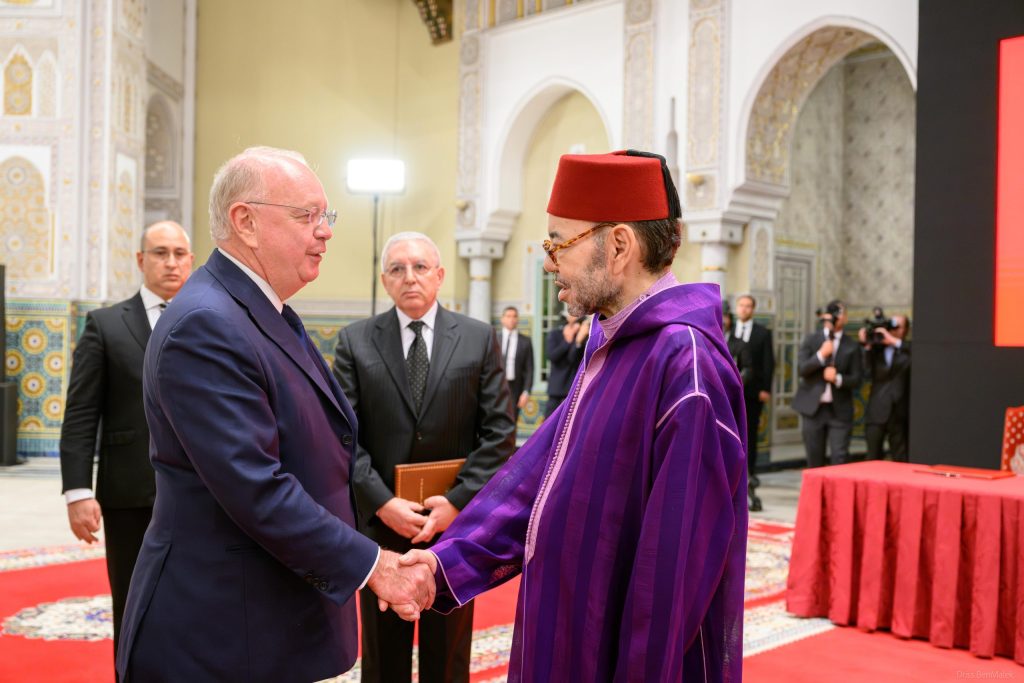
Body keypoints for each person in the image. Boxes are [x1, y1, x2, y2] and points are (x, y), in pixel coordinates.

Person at [397, 150, 747, 681]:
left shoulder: (685, 364)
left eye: (558, 243)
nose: (548, 263)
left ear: (619, 246)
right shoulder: (613, 341)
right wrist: (445, 562)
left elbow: (672, 578)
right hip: (569, 627)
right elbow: (540, 478)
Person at [116, 147, 434, 683]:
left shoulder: (260, 310)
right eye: (307, 215)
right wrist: (373, 564)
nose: (325, 232)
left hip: (270, 615)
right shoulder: (206, 324)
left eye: (326, 216)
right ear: (246, 222)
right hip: (221, 631)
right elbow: (255, 487)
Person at [332, 231, 515, 683]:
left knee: (447, 659)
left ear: (439, 275)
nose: (409, 277)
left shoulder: (477, 338)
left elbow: (499, 433)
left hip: (454, 531)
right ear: (384, 280)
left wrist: (456, 501)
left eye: (419, 267)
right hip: (382, 531)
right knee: (383, 659)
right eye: (397, 269)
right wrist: (381, 502)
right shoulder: (355, 341)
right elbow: (342, 437)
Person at [59, 220, 193, 662]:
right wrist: (78, 491)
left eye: (179, 253)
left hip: (204, 493)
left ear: (191, 261)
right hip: (130, 493)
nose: (170, 263)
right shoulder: (105, 325)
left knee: (197, 607)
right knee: (135, 606)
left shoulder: (210, 321)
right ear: (141, 260)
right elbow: (81, 413)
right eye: (160, 253)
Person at [792, 299, 863, 467]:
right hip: (813, 409)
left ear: (845, 318)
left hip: (839, 411)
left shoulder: (852, 345)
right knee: (814, 460)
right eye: (833, 313)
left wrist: (838, 378)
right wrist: (820, 355)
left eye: (841, 313)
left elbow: (857, 379)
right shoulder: (811, 339)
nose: (837, 317)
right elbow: (802, 369)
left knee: (840, 458)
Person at [730, 294, 775, 511]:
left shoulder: (762, 333)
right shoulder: (728, 331)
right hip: (730, 392)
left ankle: (751, 472)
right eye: (741, 305)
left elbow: (769, 362)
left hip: (753, 393)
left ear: (753, 309)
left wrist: (765, 389)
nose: (744, 309)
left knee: (751, 433)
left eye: (748, 306)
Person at [859, 315, 911, 461]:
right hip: (877, 410)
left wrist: (893, 341)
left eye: (898, 327)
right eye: (891, 327)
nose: (893, 330)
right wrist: (867, 346)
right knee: (873, 457)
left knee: (900, 458)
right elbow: (866, 373)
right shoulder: (877, 349)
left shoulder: (907, 349)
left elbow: (917, 354)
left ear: (905, 330)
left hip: (899, 413)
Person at [544, 312, 589, 418]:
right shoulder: (555, 333)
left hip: (575, 387)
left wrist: (578, 341)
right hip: (557, 388)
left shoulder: (584, 335)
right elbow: (552, 356)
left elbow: (573, 359)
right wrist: (567, 342)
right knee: (550, 421)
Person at [499, 305, 534, 427]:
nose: (511, 319)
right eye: (508, 316)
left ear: (518, 319)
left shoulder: (525, 341)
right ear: (502, 319)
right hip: (497, 387)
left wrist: (526, 392)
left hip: (515, 389)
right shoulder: (494, 339)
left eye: (514, 316)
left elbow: (529, 369)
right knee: (496, 422)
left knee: (511, 422)